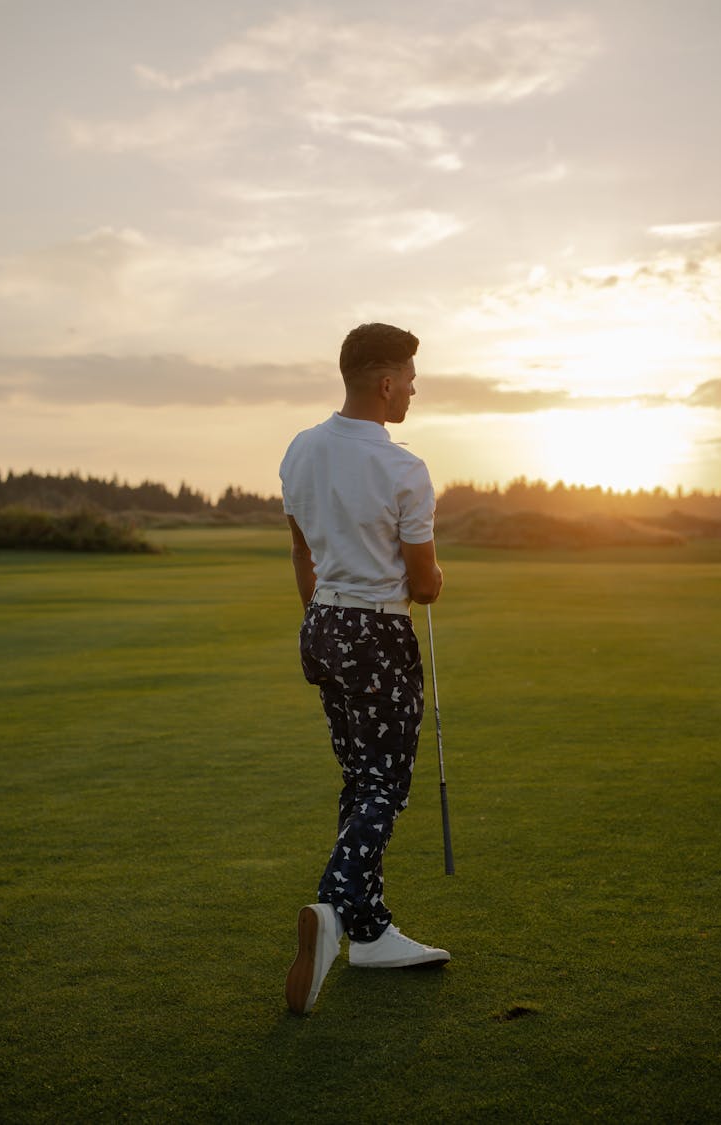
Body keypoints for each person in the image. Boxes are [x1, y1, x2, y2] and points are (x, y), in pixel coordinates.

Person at [279, 321, 450, 1016]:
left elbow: (301, 552)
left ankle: (372, 931)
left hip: (322, 623)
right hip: (378, 631)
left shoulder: (300, 448)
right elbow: (426, 581)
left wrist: (326, 618)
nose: (414, 387)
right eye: (409, 376)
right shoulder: (404, 467)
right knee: (385, 784)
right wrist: (431, 581)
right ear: (385, 382)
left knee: (359, 777)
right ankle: (335, 905)